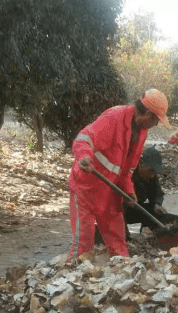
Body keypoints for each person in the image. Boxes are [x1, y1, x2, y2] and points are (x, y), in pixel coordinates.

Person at [68, 89, 171, 259]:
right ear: (147, 114)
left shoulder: (141, 133)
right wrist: (84, 156)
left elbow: (127, 169)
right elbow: (84, 138)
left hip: (109, 190)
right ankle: (75, 277)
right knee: (84, 243)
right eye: (156, 120)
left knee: (117, 240)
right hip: (86, 188)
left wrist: (129, 191)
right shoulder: (114, 118)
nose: (156, 125)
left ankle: (122, 271)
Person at [124, 146, 167, 231]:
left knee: (155, 211)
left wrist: (157, 204)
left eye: (154, 172)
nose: (152, 175)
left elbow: (157, 194)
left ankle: (147, 236)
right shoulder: (128, 173)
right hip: (119, 210)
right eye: (151, 170)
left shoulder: (151, 177)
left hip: (135, 209)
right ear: (140, 163)